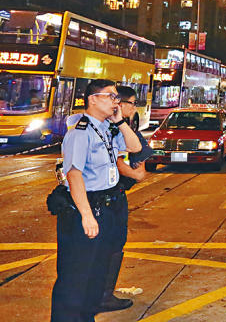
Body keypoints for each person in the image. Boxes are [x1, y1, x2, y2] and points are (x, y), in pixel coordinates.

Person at [51, 79, 141, 322]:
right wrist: (86, 215)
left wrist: (120, 121)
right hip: (86, 207)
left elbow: (135, 146)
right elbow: (74, 174)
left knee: (95, 275)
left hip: (107, 207)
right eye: (111, 96)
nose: (116, 101)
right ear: (93, 99)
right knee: (75, 277)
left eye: (117, 97)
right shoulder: (80, 132)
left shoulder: (105, 127)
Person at [96, 85, 155, 312]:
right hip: (110, 195)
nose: (134, 108)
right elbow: (117, 160)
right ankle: (102, 295)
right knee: (111, 245)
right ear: (120, 104)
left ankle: (101, 293)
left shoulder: (120, 126)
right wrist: (136, 174)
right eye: (132, 103)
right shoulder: (112, 127)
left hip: (113, 193)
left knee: (111, 245)